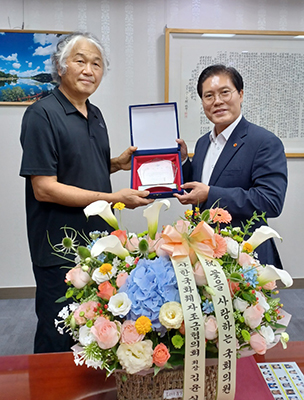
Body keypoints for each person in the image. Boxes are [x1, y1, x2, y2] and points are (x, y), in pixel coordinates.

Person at [20, 32, 153, 353]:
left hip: (98, 240)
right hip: (58, 244)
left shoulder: (95, 114)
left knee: (94, 324)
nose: (89, 70)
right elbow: (45, 188)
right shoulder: (41, 115)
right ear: (60, 66)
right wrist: (114, 199)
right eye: (80, 60)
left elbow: (79, 167)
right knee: (59, 325)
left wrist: (117, 164)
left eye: (96, 64)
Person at [175, 64, 287, 268]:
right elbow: (203, 184)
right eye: (208, 96)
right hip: (205, 252)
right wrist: (183, 161)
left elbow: (271, 201)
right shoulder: (203, 142)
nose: (217, 101)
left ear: (240, 94)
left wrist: (210, 194)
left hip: (246, 256)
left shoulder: (264, 142)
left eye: (224, 92)